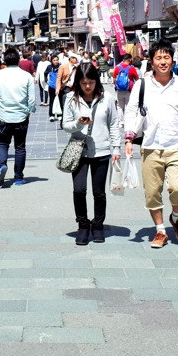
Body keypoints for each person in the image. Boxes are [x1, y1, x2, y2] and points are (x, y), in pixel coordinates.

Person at [123, 41, 178, 248]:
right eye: (158, 58)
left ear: (172, 59)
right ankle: (160, 231)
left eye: (166, 57)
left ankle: (176, 217)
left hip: (176, 145)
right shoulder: (142, 85)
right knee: (152, 193)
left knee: (177, 188)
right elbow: (131, 111)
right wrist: (128, 137)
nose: (163, 62)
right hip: (150, 147)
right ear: (151, 61)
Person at [62, 62, 123, 245]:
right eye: (83, 83)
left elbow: (113, 124)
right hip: (79, 151)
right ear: (78, 83)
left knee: (99, 193)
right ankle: (82, 225)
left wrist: (116, 148)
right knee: (79, 190)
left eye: (90, 82)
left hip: (102, 151)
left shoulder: (108, 99)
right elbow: (65, 125)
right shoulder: (71, 99)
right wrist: (79, 124)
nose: (87, 87)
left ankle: (97, 225)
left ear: (96, 81)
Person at [0, 47, 38, 187]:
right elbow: (32, 100)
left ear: (5, 60)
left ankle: (2, 165)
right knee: (20, 147)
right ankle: (18, 178)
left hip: (3, 117)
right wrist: (29, 111)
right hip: (21, 117)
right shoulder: (26, 76)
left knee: (2, 144)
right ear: (18, 60)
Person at [56, 53, 79, 127]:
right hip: (65, 88)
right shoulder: (63, 66)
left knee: (73, 105)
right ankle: (63, 120)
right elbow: (59, 78)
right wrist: (57, 88)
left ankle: (69, 120)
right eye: (75, 58)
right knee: (64, 104)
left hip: (74, 88)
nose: (76, 60)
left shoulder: (76, 68)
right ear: (71, 59)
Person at [45, 54, 61, 120]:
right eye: (54, 60)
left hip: (59, 86)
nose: (56, 61)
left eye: (57, 60)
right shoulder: (49, 67)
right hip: (51, 86)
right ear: (51, 60)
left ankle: (60, 114)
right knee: (51, 100)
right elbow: (45, 73)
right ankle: (51, 115)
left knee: (60, 101)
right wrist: (46, 80)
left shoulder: (61, 66)